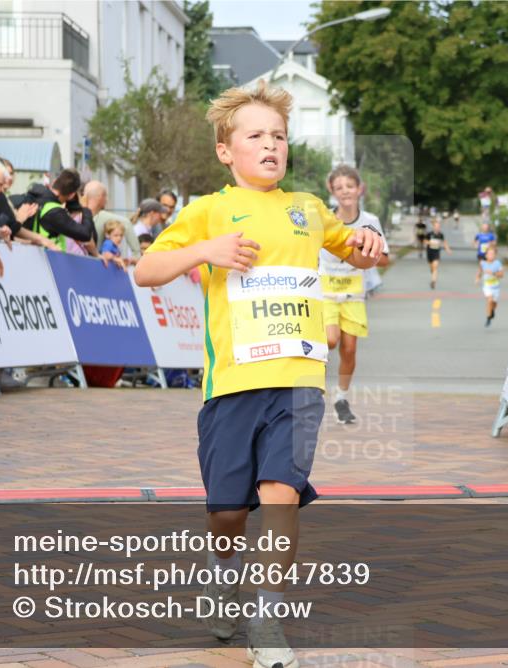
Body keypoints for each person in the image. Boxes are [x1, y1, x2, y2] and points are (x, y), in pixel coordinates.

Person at [134, 81, 381, 668]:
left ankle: (266, 620)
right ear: (226, 151)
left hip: (299, 381)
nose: (271, 145)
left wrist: (368, 243)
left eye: (279, 136)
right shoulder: (207, 211)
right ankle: (223, 577)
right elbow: (146, 270)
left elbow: (353, 249)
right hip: (232, 386)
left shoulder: (309, 208)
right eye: (256, 136)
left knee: (280, 497)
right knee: (226, 513)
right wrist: (205, 252)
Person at [319, 164, 390, 425]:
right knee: (330, 340)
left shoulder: (370, 222)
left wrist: (364, 250)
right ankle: (313, 391)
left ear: (360, 189)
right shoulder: (325, 219)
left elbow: (384, 259)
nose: (345, 191)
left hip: (353, 293)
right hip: (326, 291)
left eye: (350, 186)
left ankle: (341, 398)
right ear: (331, 191)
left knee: (349, 350)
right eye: (339, 187)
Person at [20, 168, 93, 251]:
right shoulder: (55, 212)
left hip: (28, 252)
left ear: (54, 182)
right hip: (47, 256)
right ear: (71, 195)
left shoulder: (33, 196)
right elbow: (85, 234)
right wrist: (86, 209)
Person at [85, 180, 140, 258]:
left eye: (120, 235)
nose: (107, 200)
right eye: (106, 196)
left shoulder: (78, 214)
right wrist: (136, 255)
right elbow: (126, 222)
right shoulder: (88, 216)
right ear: (101, 196)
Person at [476, 245, 504, 327]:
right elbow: (480, 271)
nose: (491, 256)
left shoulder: (498, 263)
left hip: (496, 287)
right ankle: (488, 318)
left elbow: (501, 275)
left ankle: (492, 311)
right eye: (489, 254)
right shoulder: (482, 263)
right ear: (486, 255)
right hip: (487, 286)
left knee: (494, 303)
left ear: (495, 255)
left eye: (493, 254)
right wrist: (477, 278)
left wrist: (493, 273)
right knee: (489, 300)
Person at [424, 217, 451, 289]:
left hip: (436, 252)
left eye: (438, 226)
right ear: (433, 227)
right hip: (430, 252)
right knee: (432, 268)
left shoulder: (441, 235)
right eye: (436, 226)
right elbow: (425, 241)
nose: (437, 228)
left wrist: (448, 249)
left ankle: (433, 282)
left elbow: (444, 242)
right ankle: (433, 274)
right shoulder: (429, 234)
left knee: (435, 267)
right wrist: (430, 242)